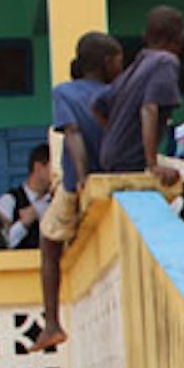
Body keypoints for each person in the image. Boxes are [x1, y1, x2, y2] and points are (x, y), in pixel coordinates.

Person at [94, 5, 184, 267]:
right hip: (134, 158)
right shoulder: (166, 61)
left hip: (112, 155)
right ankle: (182, 246)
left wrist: (114, 135)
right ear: (179, 36)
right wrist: (151, 163)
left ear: (145, 35)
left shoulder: (138, 62)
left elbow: (98, 104)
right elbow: (149, 107)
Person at [35, 30, 124, 351]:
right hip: (116, 174)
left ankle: (51, 323)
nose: (120, 66)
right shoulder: (118, 92)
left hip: (77, 185)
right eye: (118, 60)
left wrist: (83, 176)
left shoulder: (65, 93)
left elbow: (72, 134)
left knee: (49, 242)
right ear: (105, 62)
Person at [0, 144, 52, 251]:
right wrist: (23, 224)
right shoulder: (9, 201)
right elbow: (0, 244)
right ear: (38, 168)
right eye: (53, 167)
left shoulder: (58, 201)